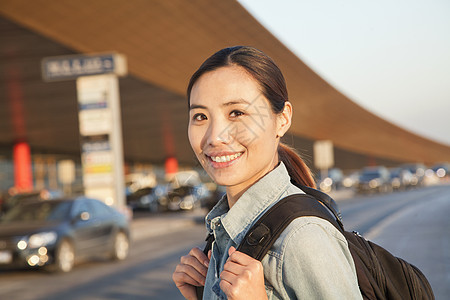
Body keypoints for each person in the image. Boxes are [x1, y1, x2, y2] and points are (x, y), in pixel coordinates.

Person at [172, 46, 362, 300]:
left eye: (236, 113)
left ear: (282, 119)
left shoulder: (302, 237)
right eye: (200, 116)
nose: (215, 137)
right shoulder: (224, 229)